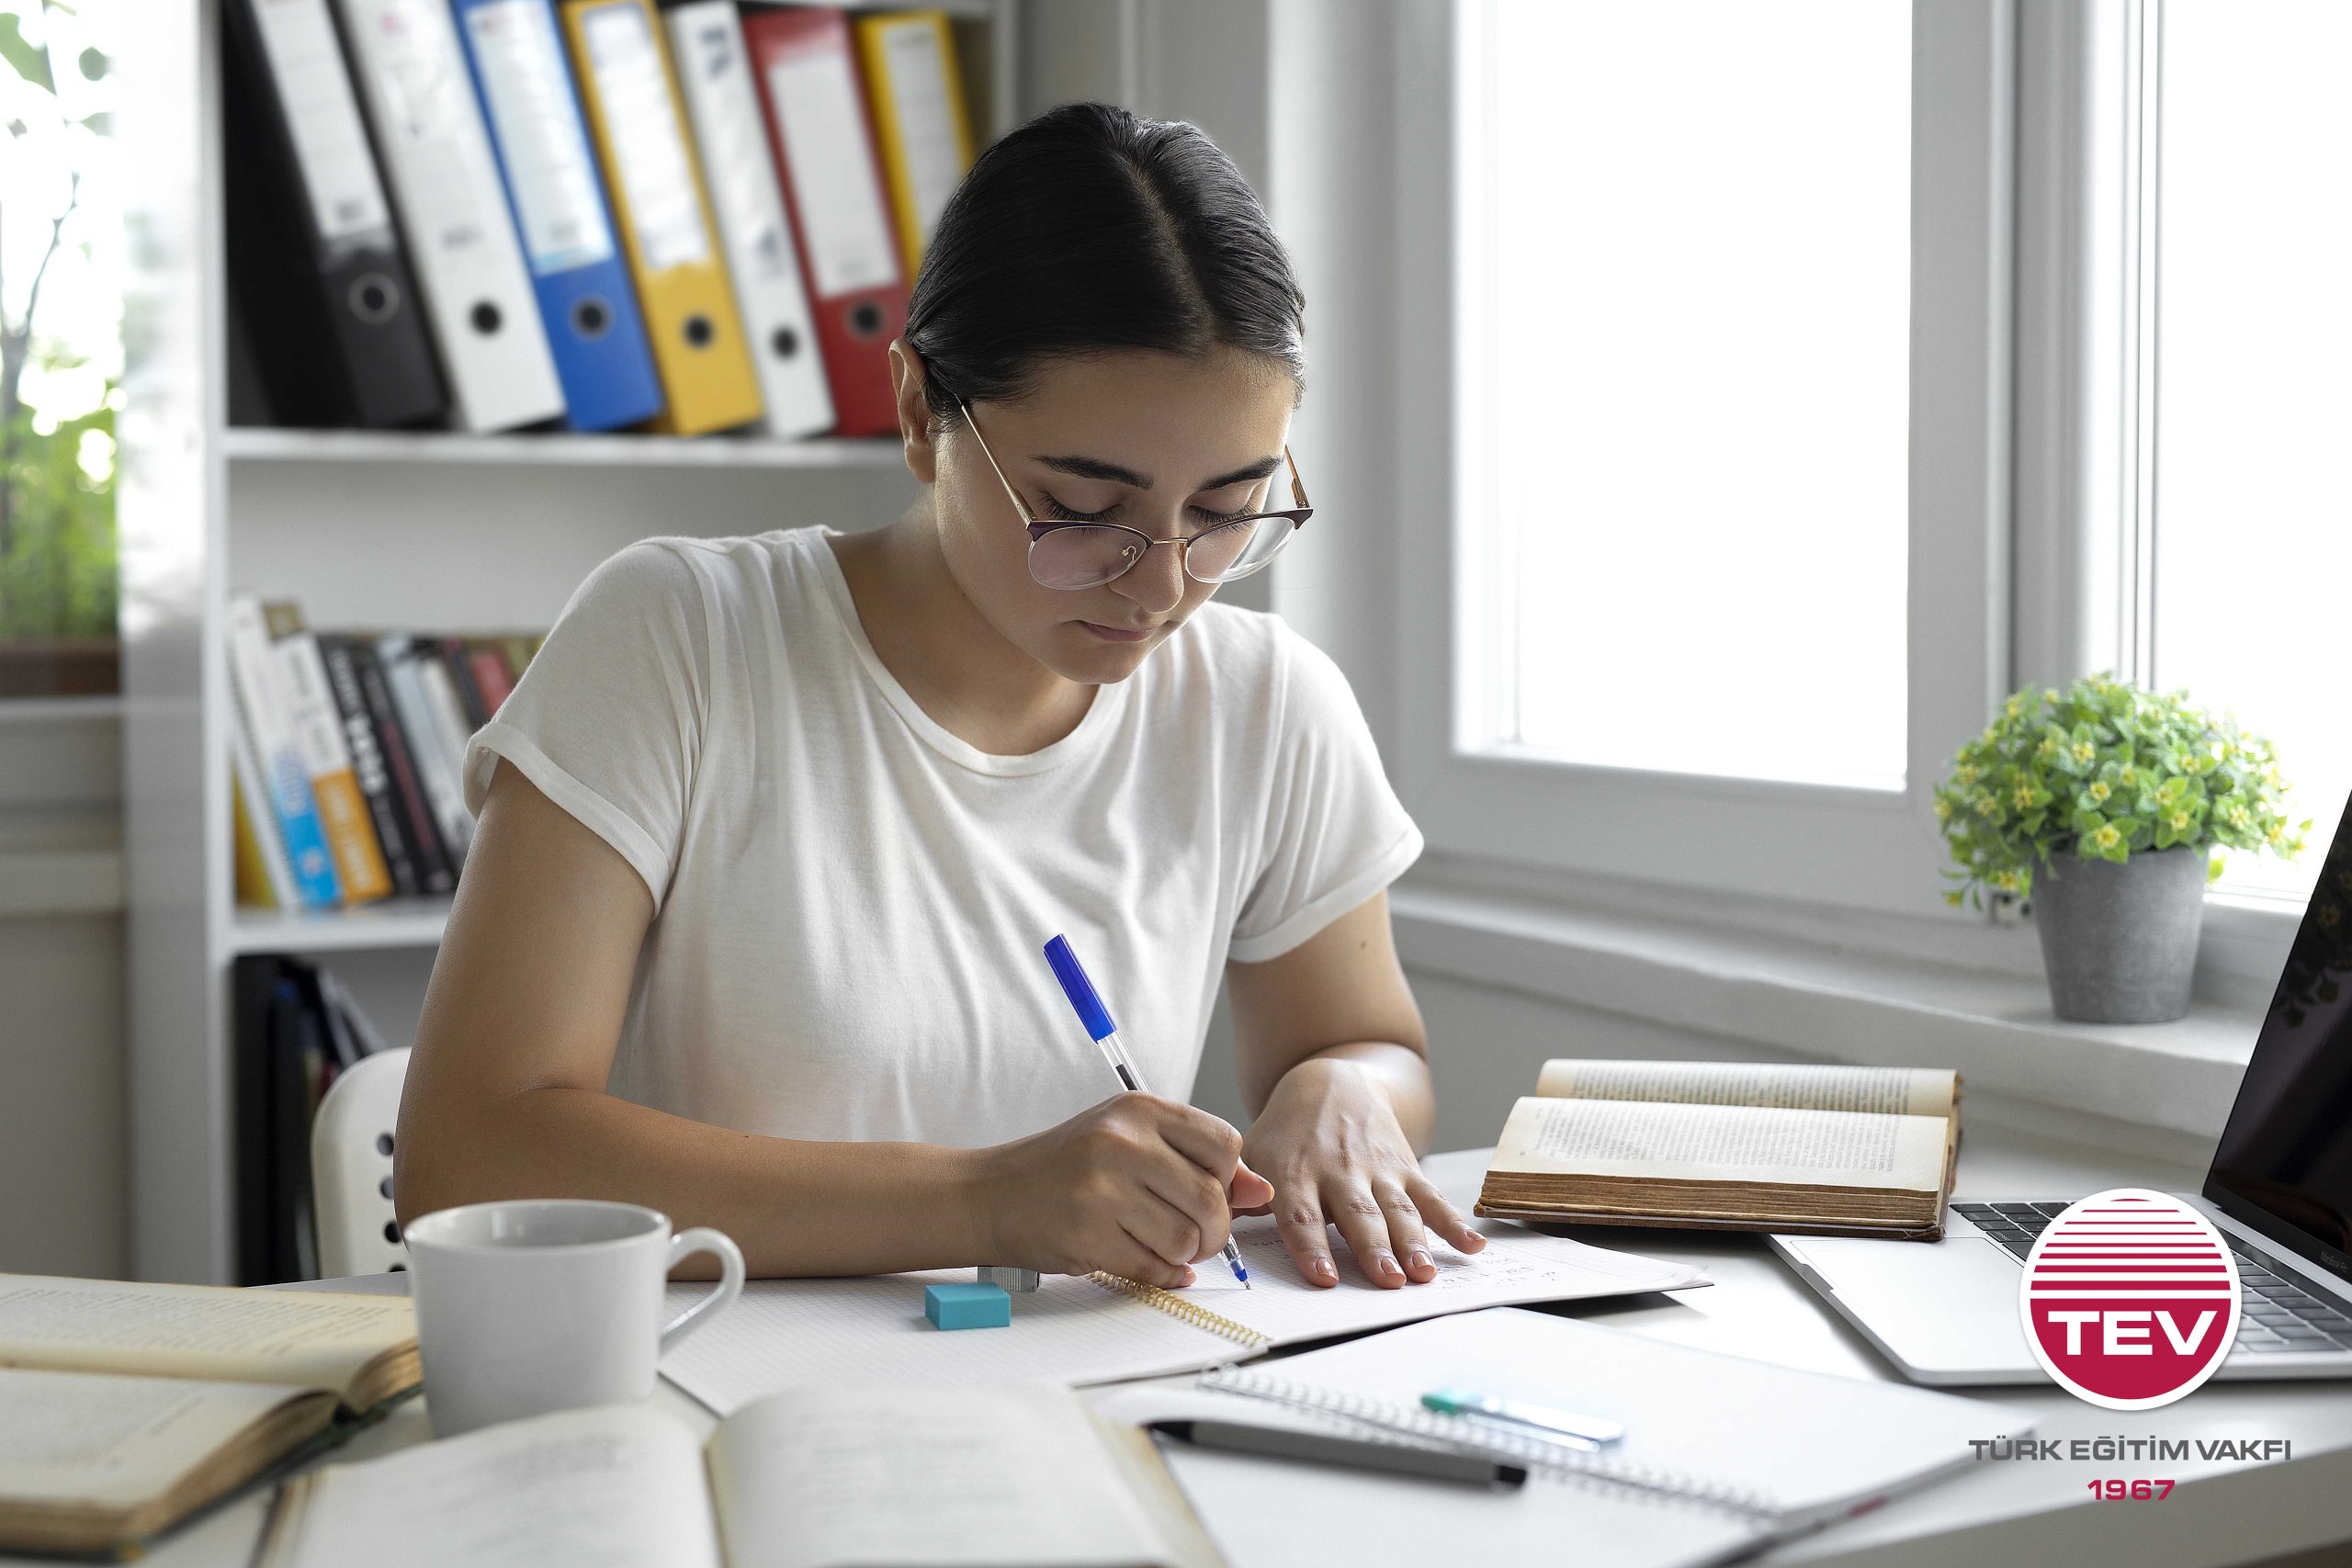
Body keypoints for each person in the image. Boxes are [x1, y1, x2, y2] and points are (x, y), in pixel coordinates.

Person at [394, 102, 1485, 1292]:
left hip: (1093, 1398)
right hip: (729, 1389)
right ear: (921, 413)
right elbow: (469, 1155)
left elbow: (1366, 1045)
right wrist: (982, 1200)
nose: (1167, 584)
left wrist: (1340, 1090)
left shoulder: (1265, 703)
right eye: (1085, 510)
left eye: (1226, 512)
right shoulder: (681, 640)